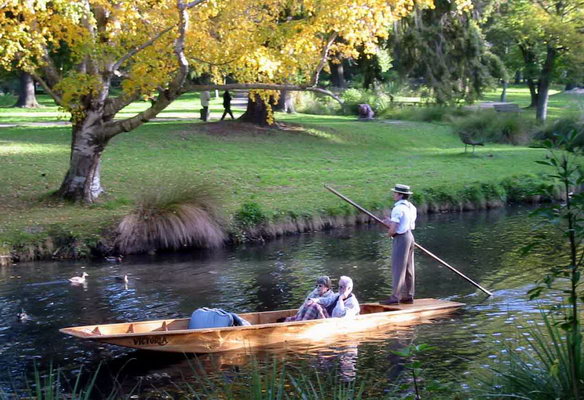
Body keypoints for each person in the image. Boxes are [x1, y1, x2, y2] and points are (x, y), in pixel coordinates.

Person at [381, 184, 417, 305]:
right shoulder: (411, 207)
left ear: (400, 195)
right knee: (408, 268)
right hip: (410, 237)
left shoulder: (398, 208)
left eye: (395, 193)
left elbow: (394, 230)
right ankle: (408, 295)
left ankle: (395, 297)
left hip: (401, 238)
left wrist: (389, 233)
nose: (393, 195)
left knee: (398, 268)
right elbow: (406, 224)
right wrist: (390, 222)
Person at [295, 276, 360, 320]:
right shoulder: (337, 295)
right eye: (339, 286)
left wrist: (340, 299)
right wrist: (314, 300)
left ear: (349, 288)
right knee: (311, 303)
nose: (339, 289)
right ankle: (298, 321)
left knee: (315, 306)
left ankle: (301, 324)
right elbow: (327, 300)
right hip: (327, 318)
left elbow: (340, 315)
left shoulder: (352, 303)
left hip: (332, 323)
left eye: (342, 287)